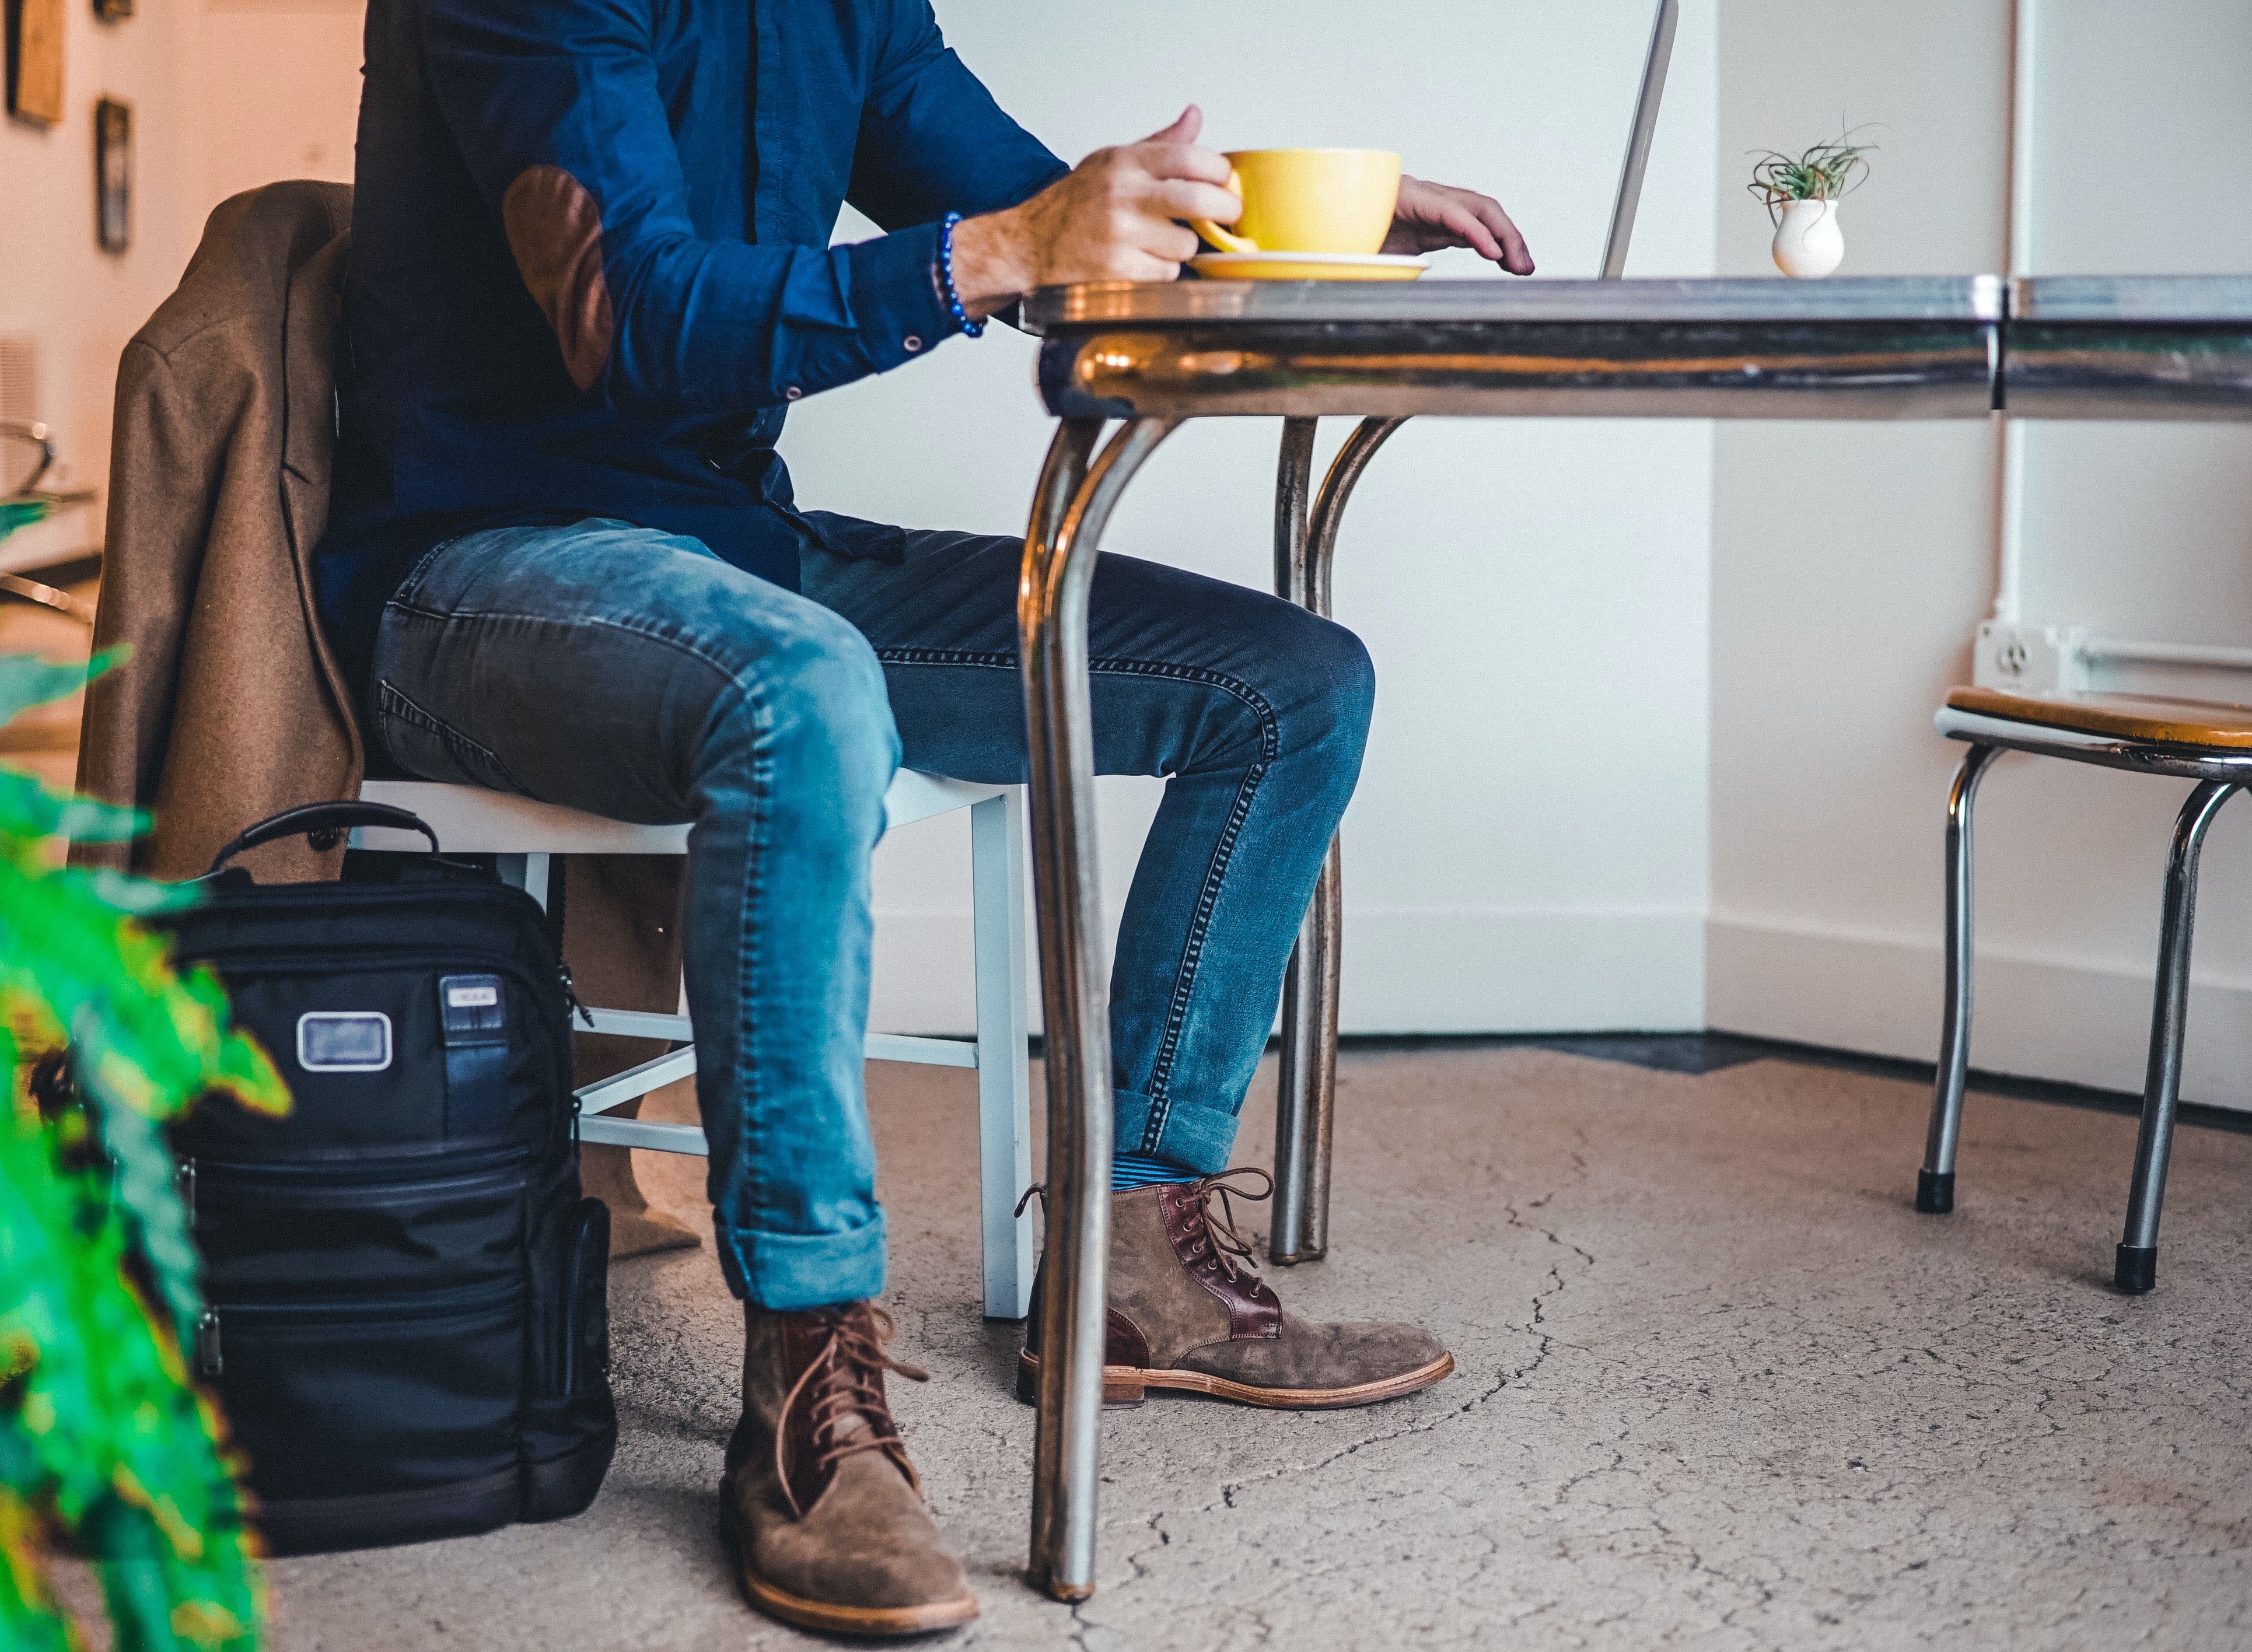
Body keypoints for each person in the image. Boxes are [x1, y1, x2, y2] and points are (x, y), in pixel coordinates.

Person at [319, 0, 1534, 1634]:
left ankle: (1134, 1263)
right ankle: (808, 1389)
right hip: (483, 579)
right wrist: (987, 255)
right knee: (803, 694)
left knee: (1291, 686)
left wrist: (1306, 224)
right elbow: (633, 308)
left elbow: (1045, 216)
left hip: (747, 560)